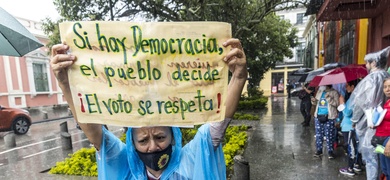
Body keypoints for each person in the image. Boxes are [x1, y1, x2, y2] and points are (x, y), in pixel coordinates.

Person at [50, 38, 247, 179]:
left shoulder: (190, 159)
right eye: (143, 140)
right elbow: (95, 134)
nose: (153, 147)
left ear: (173, 135)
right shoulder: (124, 165)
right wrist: (66, 84)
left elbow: (217, 126)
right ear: (132, 144)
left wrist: (238, 77)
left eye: (160, 137)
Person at [349, 46, 390, 180]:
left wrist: (354, 120)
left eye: (367, 62)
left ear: (374, 63)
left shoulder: (370, 79)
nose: (366, 65)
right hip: (385, 127)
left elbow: (360, 103)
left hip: (369, 125)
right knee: (382, 159)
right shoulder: (387, 76)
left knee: (371, 158)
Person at [338, 79, 363, 176]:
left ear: (353, 87)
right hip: (353, 127)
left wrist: (342, 103)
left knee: (351, 148)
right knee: (356, 147)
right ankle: (358, 165)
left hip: (349, 127)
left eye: (347, 85)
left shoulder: (353, 98)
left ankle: (350, 168)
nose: (345, 87)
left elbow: (347, 113)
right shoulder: (358, 96)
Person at [312, 85, 340, 159]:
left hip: (329, 117)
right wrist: (313, 101)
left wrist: (329, 98)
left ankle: (330, 151)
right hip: (318, 116)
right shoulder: (320, 91)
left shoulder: (334, 92)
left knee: (329, 135)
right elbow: (316, 103)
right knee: (318, 135)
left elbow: (336, 104)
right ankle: (319, 150)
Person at [373, 77, 390, 179]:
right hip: (381, 141)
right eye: (385, 87)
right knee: (385, 170)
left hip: (388, 141)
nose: (387, 89)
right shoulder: (387, 102)